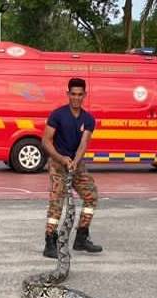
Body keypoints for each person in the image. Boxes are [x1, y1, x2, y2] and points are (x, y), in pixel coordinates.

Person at [41, 77, 102, 258]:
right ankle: (50, 242)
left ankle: (81, 237)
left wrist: (75, 161)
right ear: (68, 94)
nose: (76, 98)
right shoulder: (57, 115)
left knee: (91, 196)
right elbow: (45, 141)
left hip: (76, 164)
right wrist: (61, 158)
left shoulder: (88, 119)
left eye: (80, 95)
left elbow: (83, 144)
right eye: (73, 94)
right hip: (58, 163)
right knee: (56, 202)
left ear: (85, 95)